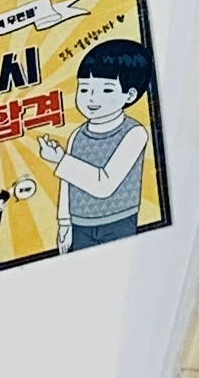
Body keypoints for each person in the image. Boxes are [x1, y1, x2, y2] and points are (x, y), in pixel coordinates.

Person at [39, 38, 155, 251]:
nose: (92, 99)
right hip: (79, 223)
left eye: (106, 91)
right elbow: (66, 183)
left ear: (129, 95)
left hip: (118, 220)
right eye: (84, 89)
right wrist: (64, 222)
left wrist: (60, 160)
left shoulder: (134, 133)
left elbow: (104, 185)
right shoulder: (77, 134)